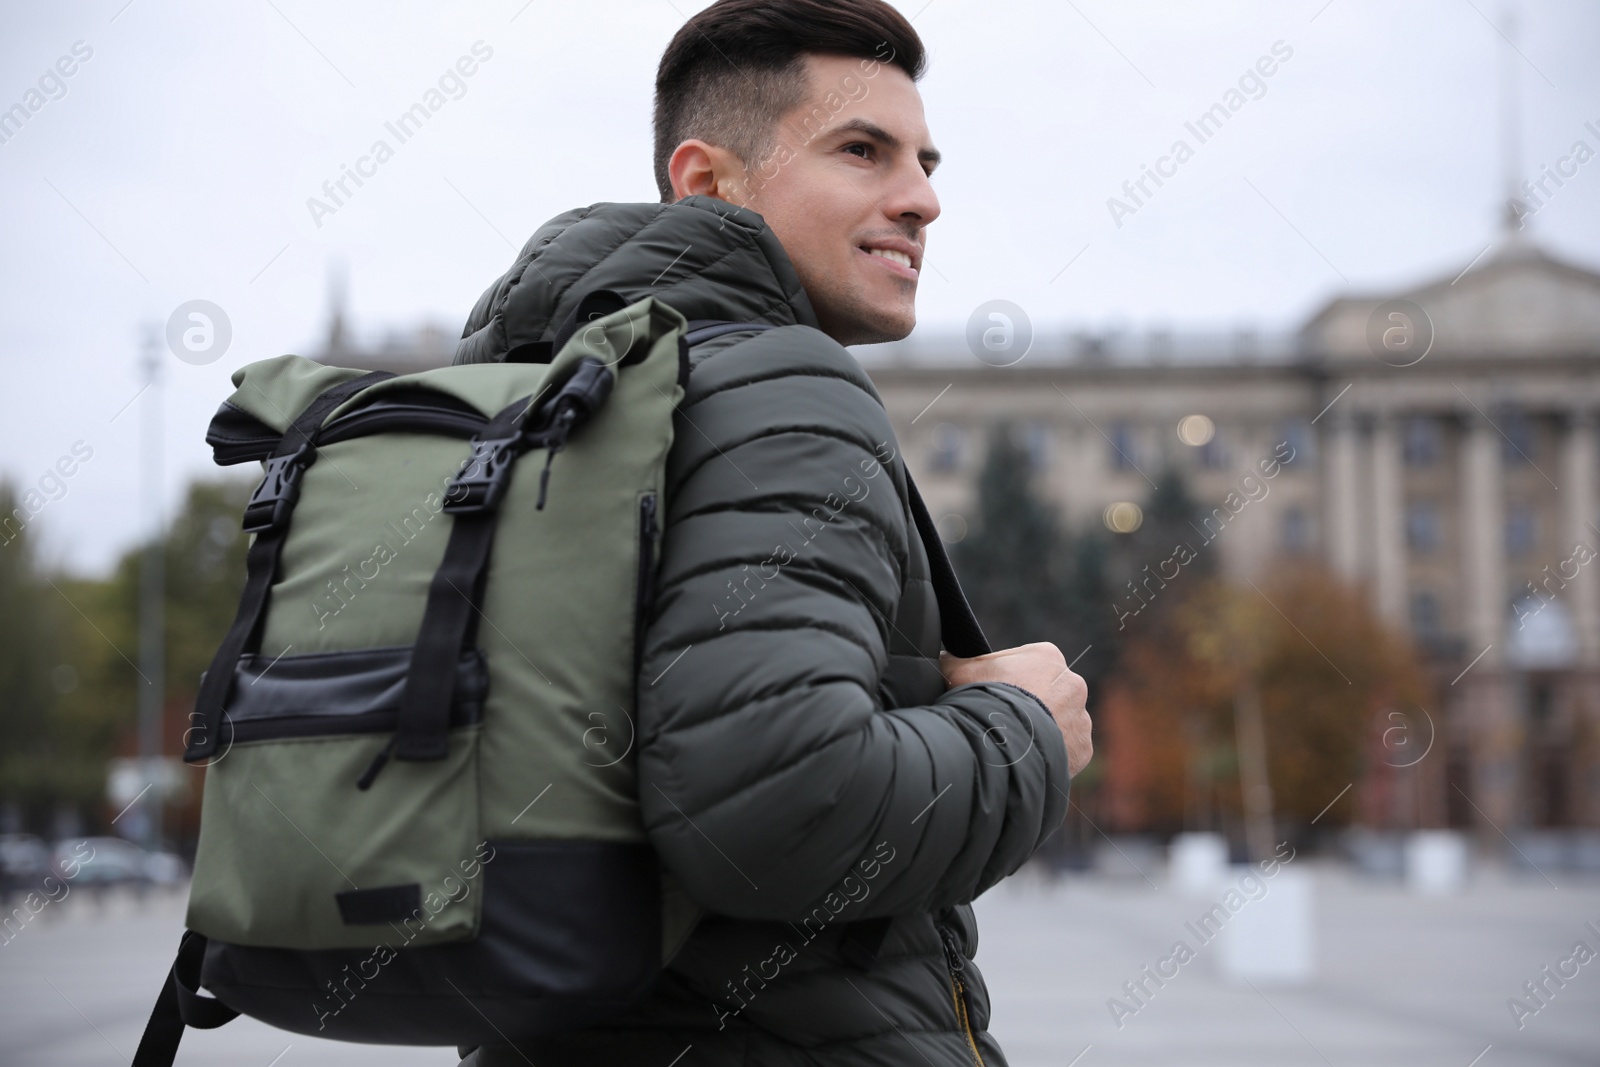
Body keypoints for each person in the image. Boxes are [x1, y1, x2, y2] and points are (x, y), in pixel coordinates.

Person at [456, 1, 1092, 1063]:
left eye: (926, 162)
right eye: (862, 152)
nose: (923, 200)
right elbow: (779, 810)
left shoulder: (548, 392)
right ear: (708, 182)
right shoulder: (780, 386)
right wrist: (1026, 727)